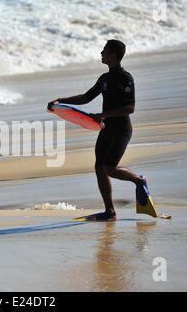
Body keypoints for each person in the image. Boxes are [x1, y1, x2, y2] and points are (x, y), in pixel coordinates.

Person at [47, 39, 146, 221]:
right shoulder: (105, 78)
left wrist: (103, 115)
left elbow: (130, 108)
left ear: (114, 55)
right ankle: (110, 211)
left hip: (121, 130)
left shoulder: (126, 78)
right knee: (99, 167)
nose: (101, 53)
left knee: (109, 168)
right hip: (106, 129)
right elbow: (86, 97)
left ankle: (139, 181)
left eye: (105, 51)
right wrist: (61, 101)